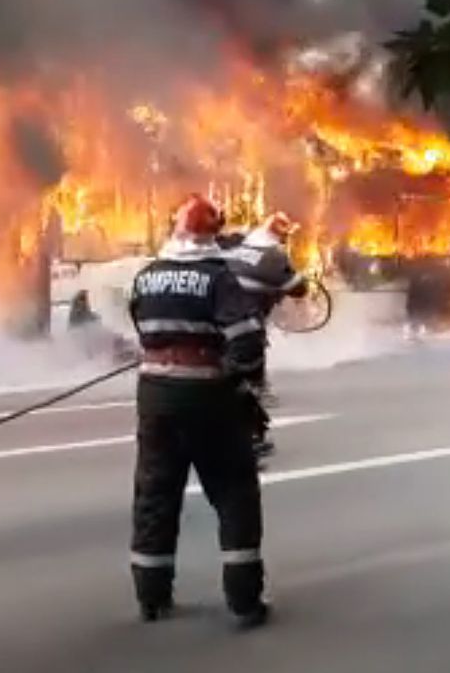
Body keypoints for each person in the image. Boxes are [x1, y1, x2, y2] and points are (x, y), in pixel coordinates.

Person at [127, 193, 271, 629]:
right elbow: (246, 340)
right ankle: (244, 601)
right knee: (234, 493)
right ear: (213, 233)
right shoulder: (218, 278)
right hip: (209, 399)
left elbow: (141, 324)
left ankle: (151, 597)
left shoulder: (147, 275)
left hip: (154, 396)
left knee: (155, 495)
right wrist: (243, 378)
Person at [221, 211, 309, 457]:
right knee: (250, 359)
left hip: (219, 312)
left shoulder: (237, 246)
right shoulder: (273, 256)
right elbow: (298, 288)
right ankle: (251, 418)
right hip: (244, 319)